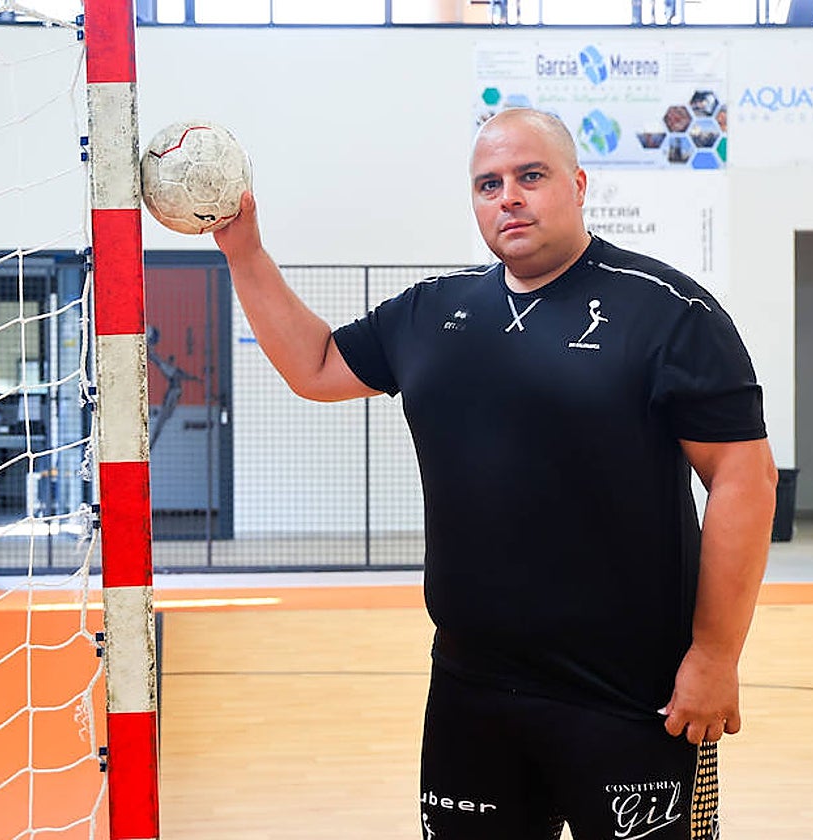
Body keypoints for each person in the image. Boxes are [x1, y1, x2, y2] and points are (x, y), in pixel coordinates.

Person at [214, 107, 777, 840]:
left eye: (530, 176)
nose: (508, 196)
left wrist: (715, 655)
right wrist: (244, 252)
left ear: (578, 185)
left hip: (632, 698)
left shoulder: (669, 312)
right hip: (470, 692)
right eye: (489, 184)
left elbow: (744, 479)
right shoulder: (431, 312)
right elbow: (315, 366)